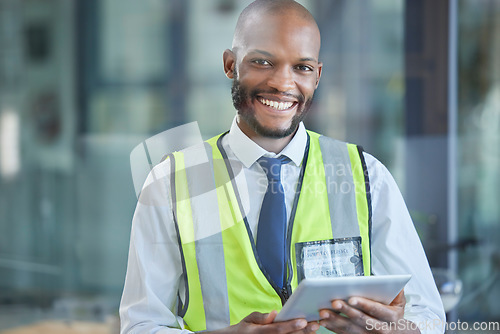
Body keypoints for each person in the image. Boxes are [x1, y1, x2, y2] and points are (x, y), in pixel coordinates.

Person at [119, 1, 445, 333]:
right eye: (262, 62)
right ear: (231, 64)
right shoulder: (171, 183)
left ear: (317, 76)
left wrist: (399, 330)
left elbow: (429, 314)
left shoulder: (367, 176)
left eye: (301, 67)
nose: (282, 83)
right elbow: (142, 325)